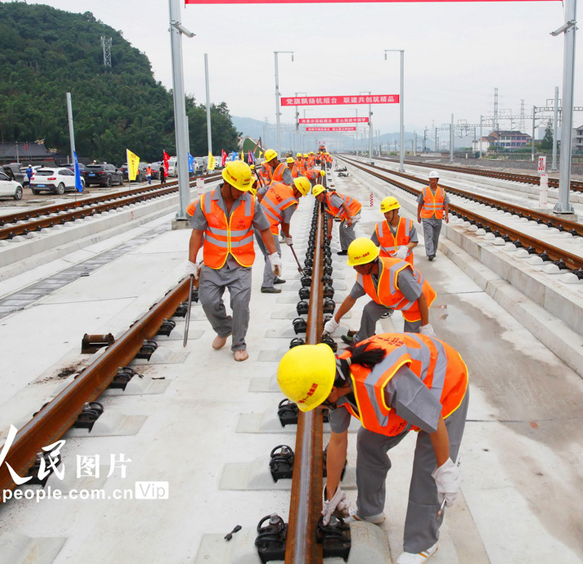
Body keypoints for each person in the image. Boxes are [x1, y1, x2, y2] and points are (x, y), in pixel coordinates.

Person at [277, 333, 468, 564]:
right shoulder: (334, 379)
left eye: (318, 401)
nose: (319, 407)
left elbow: (433, 418)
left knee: (429, 469)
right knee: (368, 441)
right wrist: (331, 494)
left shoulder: (384, 382)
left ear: (331, 392)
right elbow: (337, 442)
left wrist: (446, 468)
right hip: (409, 396)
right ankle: (370, 510)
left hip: (444, 386)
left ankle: (422, 543)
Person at [185, 161, 281, 362]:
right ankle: (224, 329)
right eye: (239, 189)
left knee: (240, 303)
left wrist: (273, 256)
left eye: (245, 189)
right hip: (213, 262)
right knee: (208, 301)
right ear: (227, 183)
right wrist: (191, 262)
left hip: (241, 262)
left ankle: (238, 343)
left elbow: (264, 229)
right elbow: (197, 233)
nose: (242, 193)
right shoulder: (206, 201)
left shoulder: (251, 202)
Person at [323, 237, 435, 346]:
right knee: (370, 310)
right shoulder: (364, 274)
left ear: (367, 266)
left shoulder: (398, 273)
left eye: (355, 265)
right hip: (391, 298)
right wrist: (334, 321)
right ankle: (362, 341)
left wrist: (425, 325)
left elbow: (420, 297)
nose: (353, 268)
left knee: (411, 342)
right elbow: (351, 298)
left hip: (415, 303)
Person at [254, 176, 312, 293]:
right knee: (274, 254)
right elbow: (286, 223)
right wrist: (287, 236)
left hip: (256, 223)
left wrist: (262, 208)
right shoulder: (291, 201)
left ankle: (273, 276)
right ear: (296, 189)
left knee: (268, 254)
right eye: (301, 194)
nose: (300, 197)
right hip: (269, 228)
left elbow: (259, 194)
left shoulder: (276, 184)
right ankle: (267, 284)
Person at [312, 185, 362, 256]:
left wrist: (349, 219)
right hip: (347, 212)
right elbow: (329, 219)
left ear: (323, 193)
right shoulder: (325, 205)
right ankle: (345, 250)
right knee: (341, 229)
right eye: (316, 196)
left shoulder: (331, 198)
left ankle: (355, 251)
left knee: (347, 229)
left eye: (319, 195)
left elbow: (345, 205)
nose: (318, 197)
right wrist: (329, 234)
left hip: (353, 209)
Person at [372, 196, 419, 264]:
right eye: (384, 213)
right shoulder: (379, 227)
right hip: (387, 265)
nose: (386, 215)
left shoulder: (408, 224)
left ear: (396, 210)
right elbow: (373, 245)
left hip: (405, 264)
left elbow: (414, 241)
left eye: (388, 212)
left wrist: (405, 248)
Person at [416, 171, 450, 261]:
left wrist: (446, 215)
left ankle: (433, 252)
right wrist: (418, 215)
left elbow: (446, 203)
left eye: (434, 180)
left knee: (435, 237)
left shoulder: (442, 191)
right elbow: (420, 204)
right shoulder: (424, 191)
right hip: (427, 217)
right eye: (431, 180)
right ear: (429, 180)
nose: (433, 181)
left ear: (437, 180)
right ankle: (430, 253)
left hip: (438, 217)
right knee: (429, 236)